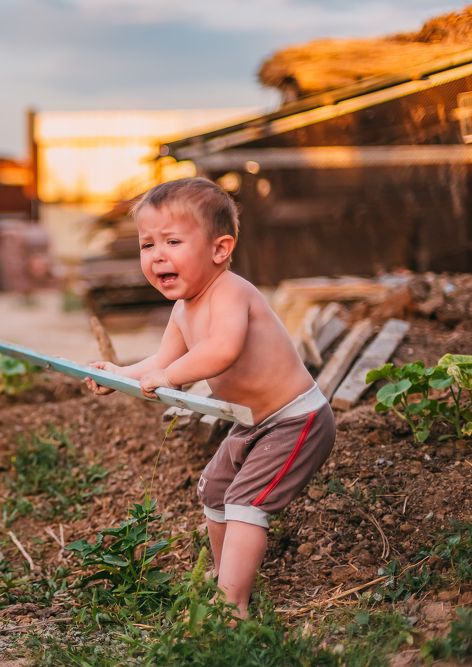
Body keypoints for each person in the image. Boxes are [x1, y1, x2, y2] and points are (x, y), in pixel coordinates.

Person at [84, 177, 335, 618]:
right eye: (147, 245)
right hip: (251, 421)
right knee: (215, 491)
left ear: (219, 250)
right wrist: (121, 374)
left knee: (245, 502)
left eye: (173, 241)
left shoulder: (231, 292)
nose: (157, 254)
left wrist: (170, 375)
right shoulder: (183, 309)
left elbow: (222, 350)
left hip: (297, 419)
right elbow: (162, 359)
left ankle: (232, 604)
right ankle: (225, 576)